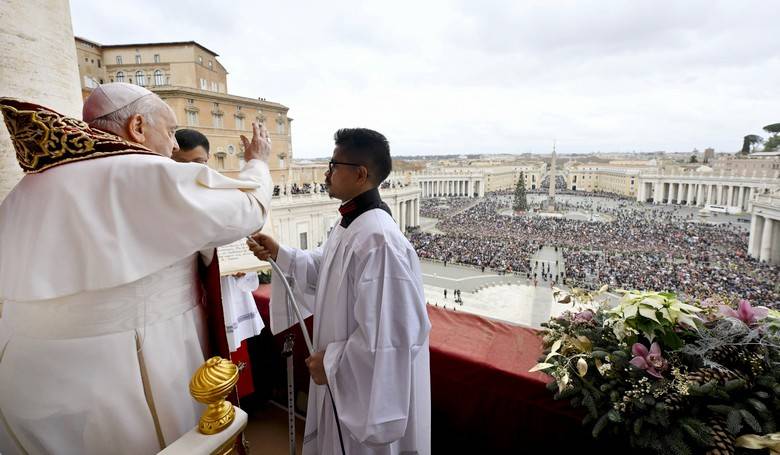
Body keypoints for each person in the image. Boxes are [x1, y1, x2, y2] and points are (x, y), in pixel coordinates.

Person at [0, 83, 273, 455]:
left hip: (25, 372)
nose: (175, 145)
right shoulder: (141, 170)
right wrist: (257, 161)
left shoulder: (27, 188)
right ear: (138, 127)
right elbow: (248, 206)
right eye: (171, 130)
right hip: (122, 367)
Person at [247, 128, 431, 455]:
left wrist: (332, 362)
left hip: (364, 395)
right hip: (338, 380)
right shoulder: (351, 224)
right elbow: (325, 271)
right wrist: (281, 253)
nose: (326, 173)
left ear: (360, 174)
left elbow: (390, 336)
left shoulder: (379, 241)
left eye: (333, 165)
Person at [172, 128, 265, 356]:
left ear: (208, 159)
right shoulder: (169, 196)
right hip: (191, 297)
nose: (191, 171)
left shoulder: (223, 193)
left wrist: (244, 268)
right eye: (181, 164)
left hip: (227, 290)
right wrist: (257, 162)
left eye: (198, 162)